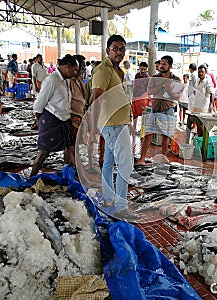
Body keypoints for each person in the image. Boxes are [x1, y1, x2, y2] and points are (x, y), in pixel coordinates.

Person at [90, 34, 137, 221]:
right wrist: (93, 127)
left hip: (118, 122)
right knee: (126, 163)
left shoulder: (118, 71)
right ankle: (121, 206)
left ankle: (109, 198)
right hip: (112, 124)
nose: (119, 52)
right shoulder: (103, 70)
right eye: (115, 48)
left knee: (109, 163)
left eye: (122, 49)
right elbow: (97, 98)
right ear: (107, 50)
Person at [30, 54, 79, 177]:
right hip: (52, 121)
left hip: (65, 120)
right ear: (68, 67)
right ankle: (30, 178)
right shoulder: (51, 80)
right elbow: (38, 105)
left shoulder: (66, 81)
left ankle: (68, 176)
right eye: (74, 70)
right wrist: (39, 123)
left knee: (70, 148)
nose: (75, 73)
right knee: (43, 153)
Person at [136, 55, 181, 165]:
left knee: (165, 137)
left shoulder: (176, 80)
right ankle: (142, 159)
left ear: (170, 66)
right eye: (161, 63)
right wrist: (161, 86)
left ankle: (163, 159)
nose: (161, 66)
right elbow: (150, 91)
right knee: (148, 135)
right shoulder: (155, 78)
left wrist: (168, 89)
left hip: (168, 110)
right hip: (155, 110)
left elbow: (176, 96)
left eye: (164, 64)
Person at [70, 54, 87, 139]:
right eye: (82, 66)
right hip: (73, 118)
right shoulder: (69, 81)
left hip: (81, 116)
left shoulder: (80, 80)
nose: (84, 69)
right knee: (71, 145)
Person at [132, 61, 150, 133]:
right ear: (139, 68)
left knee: (144, 115)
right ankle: (134, 128)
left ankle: (142, 130)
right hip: (135, 97)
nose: (143, 71)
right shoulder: (137, 75)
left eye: (144, 70)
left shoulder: (148, 78)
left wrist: (141, 97)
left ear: (146, 70)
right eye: (141, 69)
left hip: (143, 99)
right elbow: (134, 85)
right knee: (135, 113)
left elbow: (148, 91)